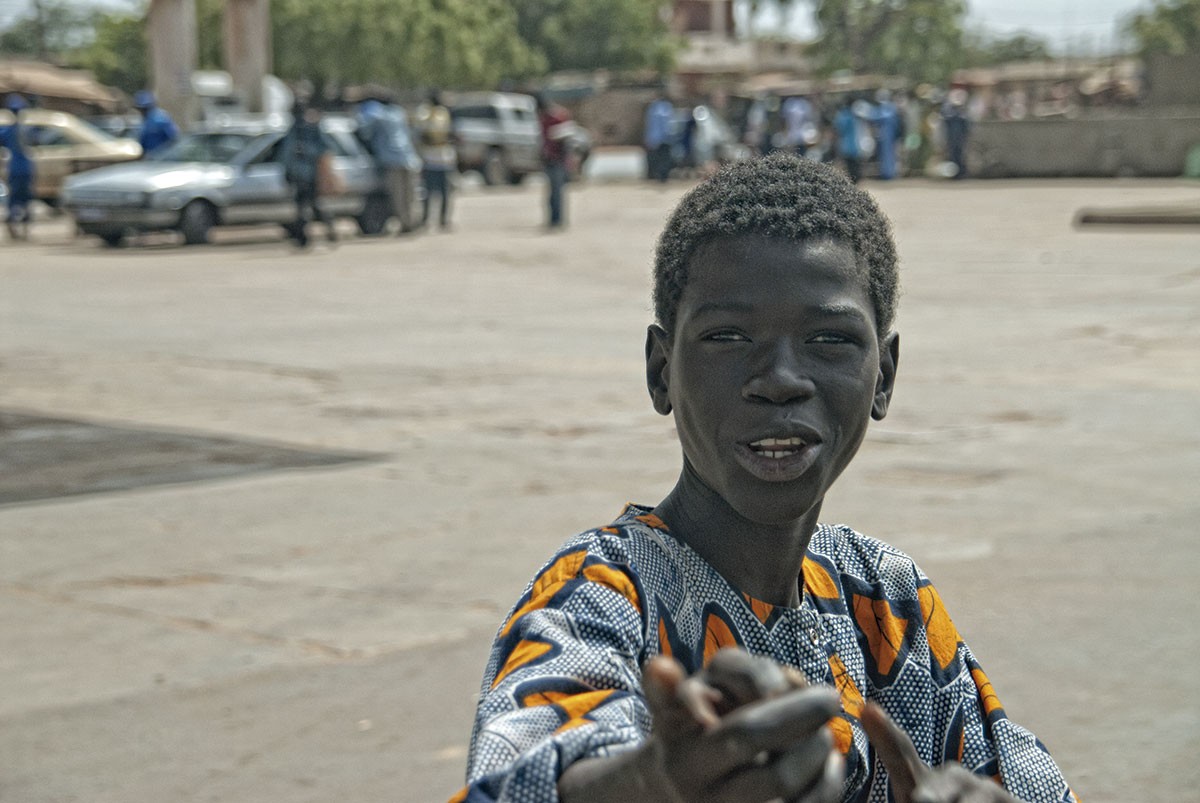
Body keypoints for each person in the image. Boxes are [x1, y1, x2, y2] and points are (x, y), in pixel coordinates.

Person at [454, 154, 1077, 803]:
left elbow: (1024, 781)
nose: (780, 379)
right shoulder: (600, 597)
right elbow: (529, 765)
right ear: (661, 371)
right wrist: (650, 782)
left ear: (884, 377)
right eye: (727, 336)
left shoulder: (886, 601)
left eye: (829, 340)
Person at [356, 97, 422, 235]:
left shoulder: (376, 114)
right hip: (409, 158)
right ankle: (411, 221)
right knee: (410, 194)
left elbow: (363, 131)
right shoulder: (399, 113)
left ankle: (405, 224)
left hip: (392, 160)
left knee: (397, 195)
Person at [280, 100, 337, 248]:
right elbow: (286, 155)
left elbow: (325, 149)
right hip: (299, 175)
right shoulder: (294, 130)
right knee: (304, 207)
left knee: (311, 206)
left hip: (310, 175)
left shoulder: (312, 129)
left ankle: (326, 229)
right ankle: (304, 237)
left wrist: (306, 151)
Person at [415, 90, 455, 230]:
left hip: (443, 159)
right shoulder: (424, 113)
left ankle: (443, 220)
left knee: (444, 192)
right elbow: (423, 134)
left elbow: (447, 133)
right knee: (428, 193)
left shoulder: (443, 113)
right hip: (430, 159)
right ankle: (426, 219)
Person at [535, 94, 573, 230]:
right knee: (551, 193)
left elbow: (567, 139)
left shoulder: (559, 117)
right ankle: (553, 220)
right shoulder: (543, 119)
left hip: (558, 160)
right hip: (548, 159)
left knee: (557, 192)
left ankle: (558, 220)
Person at [1, 93, 35, 241]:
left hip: (15, 168)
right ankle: (25, 230)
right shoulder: (28, 130)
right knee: (26, 199)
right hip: (27, 167)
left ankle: (13, 227)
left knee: (14, 199)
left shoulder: (8, 131)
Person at [133, 90, 179, 157]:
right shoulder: (143, 122)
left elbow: (174, 138)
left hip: (163, 157)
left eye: (145, 108)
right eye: (141, 109)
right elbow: (142, 141)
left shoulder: (161, 118)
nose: (142, 111)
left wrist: (165, 153)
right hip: (149, 157)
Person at [870, 89, 902, 180]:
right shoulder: (884, 108)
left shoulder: (889, 108)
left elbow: (878, 118)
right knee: (883, 156)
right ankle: (885, 173)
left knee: (889, 155)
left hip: (888, 136)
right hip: (884, 136)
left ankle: (888, 174)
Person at [643, 92, 674, 183]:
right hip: (666, 138)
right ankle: (663, 176)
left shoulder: (652, 109)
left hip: (655, 138)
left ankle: (656, 175)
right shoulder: (667, 108)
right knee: (665, 158)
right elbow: (669, 124)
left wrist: (649, 138)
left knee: (656, 158)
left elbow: (650, 125)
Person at [942, 88, 971, 180]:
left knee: (960, 156)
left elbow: (966, 126)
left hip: (960, 139)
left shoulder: (962, 114)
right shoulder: (949, 113)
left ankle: (961, 173)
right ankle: (953, 174)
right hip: (952, 139)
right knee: (952, 156)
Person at [834, 96, 864, 183]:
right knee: (855, 164)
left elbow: (839, 129)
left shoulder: (842, 115)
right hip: (854, 144)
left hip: (846, 145)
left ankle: (853, 180)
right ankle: (856, 179)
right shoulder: (853, 115)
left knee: (849, 165)